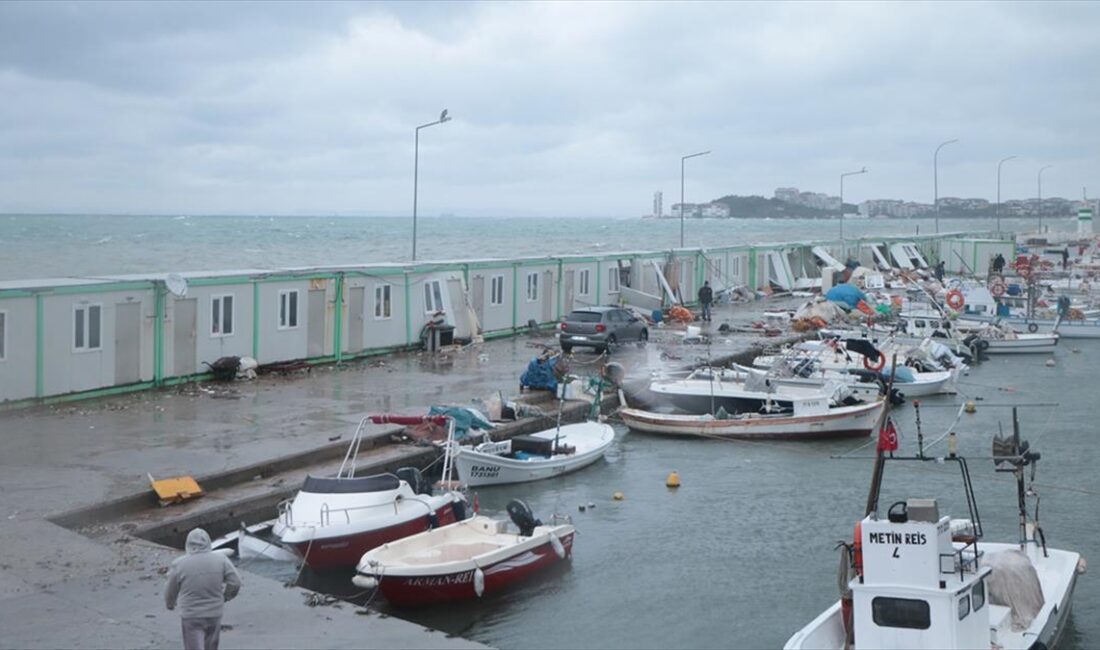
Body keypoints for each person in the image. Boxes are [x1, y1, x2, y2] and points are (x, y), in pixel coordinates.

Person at [165, 528, 241, 650]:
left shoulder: (179, 564)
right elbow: (236, 582)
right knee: (211, 646)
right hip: (214, 612)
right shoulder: (221, 560)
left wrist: (170, 603)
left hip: (191, 614)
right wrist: (225, 597)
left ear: (188, 544)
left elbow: (170, 588)